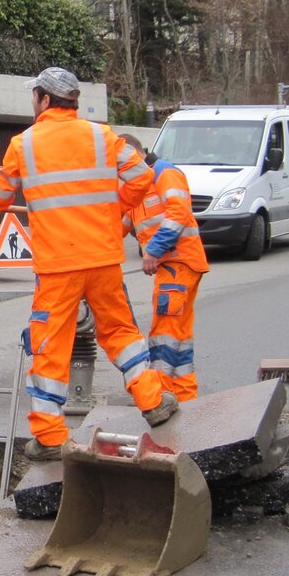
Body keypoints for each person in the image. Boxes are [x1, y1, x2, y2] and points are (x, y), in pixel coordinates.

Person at [0, 67, 179, 461]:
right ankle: (152, 400)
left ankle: (49, 436)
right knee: (120, 331)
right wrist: (112, 210)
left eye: (34, 97)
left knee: (50, 345)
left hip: (59, 266)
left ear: (45, 99)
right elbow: (144, 178)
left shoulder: (24, 144)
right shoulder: (103, 137)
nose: (32, 103)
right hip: (103, 259)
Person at [119, 134, 209, 402]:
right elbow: (117, 225)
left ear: (132, 154)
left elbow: (178, 213)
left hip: (178, 263)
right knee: (178, 339)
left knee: (164, 336)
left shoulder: (163, 173)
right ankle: (184, 397)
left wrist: (154, 251)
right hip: (176, 266)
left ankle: (161, 398)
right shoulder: (140, 185)